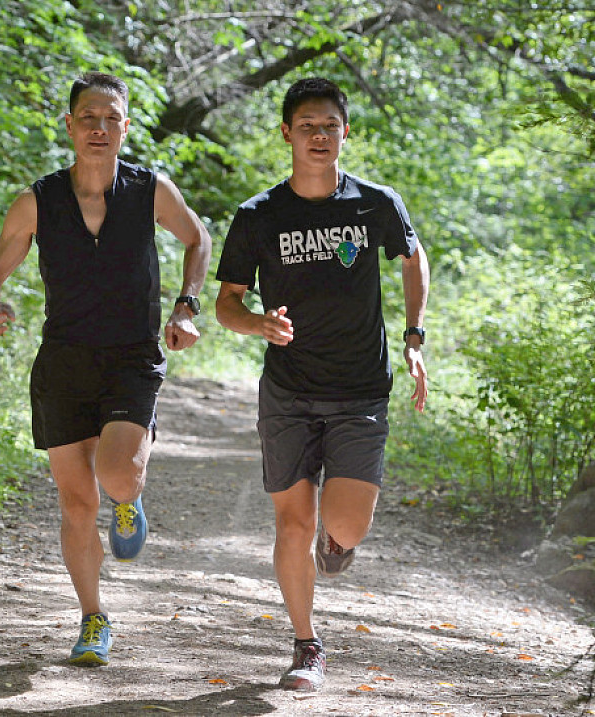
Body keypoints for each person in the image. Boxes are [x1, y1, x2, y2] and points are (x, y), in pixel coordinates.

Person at [0, 71, 211, 666]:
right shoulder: (38, 201)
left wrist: (186, 305)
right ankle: (93, 617)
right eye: (88, 117)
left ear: (125, 127)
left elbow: (198, 238)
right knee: (77, 505)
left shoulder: (150, 190)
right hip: (63, 363)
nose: (99, 128)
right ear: (70, 125)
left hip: (132, 357)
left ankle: (129, 500)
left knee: (118, 475)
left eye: (110, 119)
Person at [214, 77, 429, 691]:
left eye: (330, 125)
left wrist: (414, 337)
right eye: (307, 125)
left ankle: (338, 540)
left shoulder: (375, 204)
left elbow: (414, 259)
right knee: (292, 524)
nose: (318, 136)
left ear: (345, 133)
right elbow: (227, 303)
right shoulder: (258, 216)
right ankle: (306, 646)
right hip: (288, 391)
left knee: (348, 526)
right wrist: (257, 323)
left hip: (360, 390)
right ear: (287, 133)